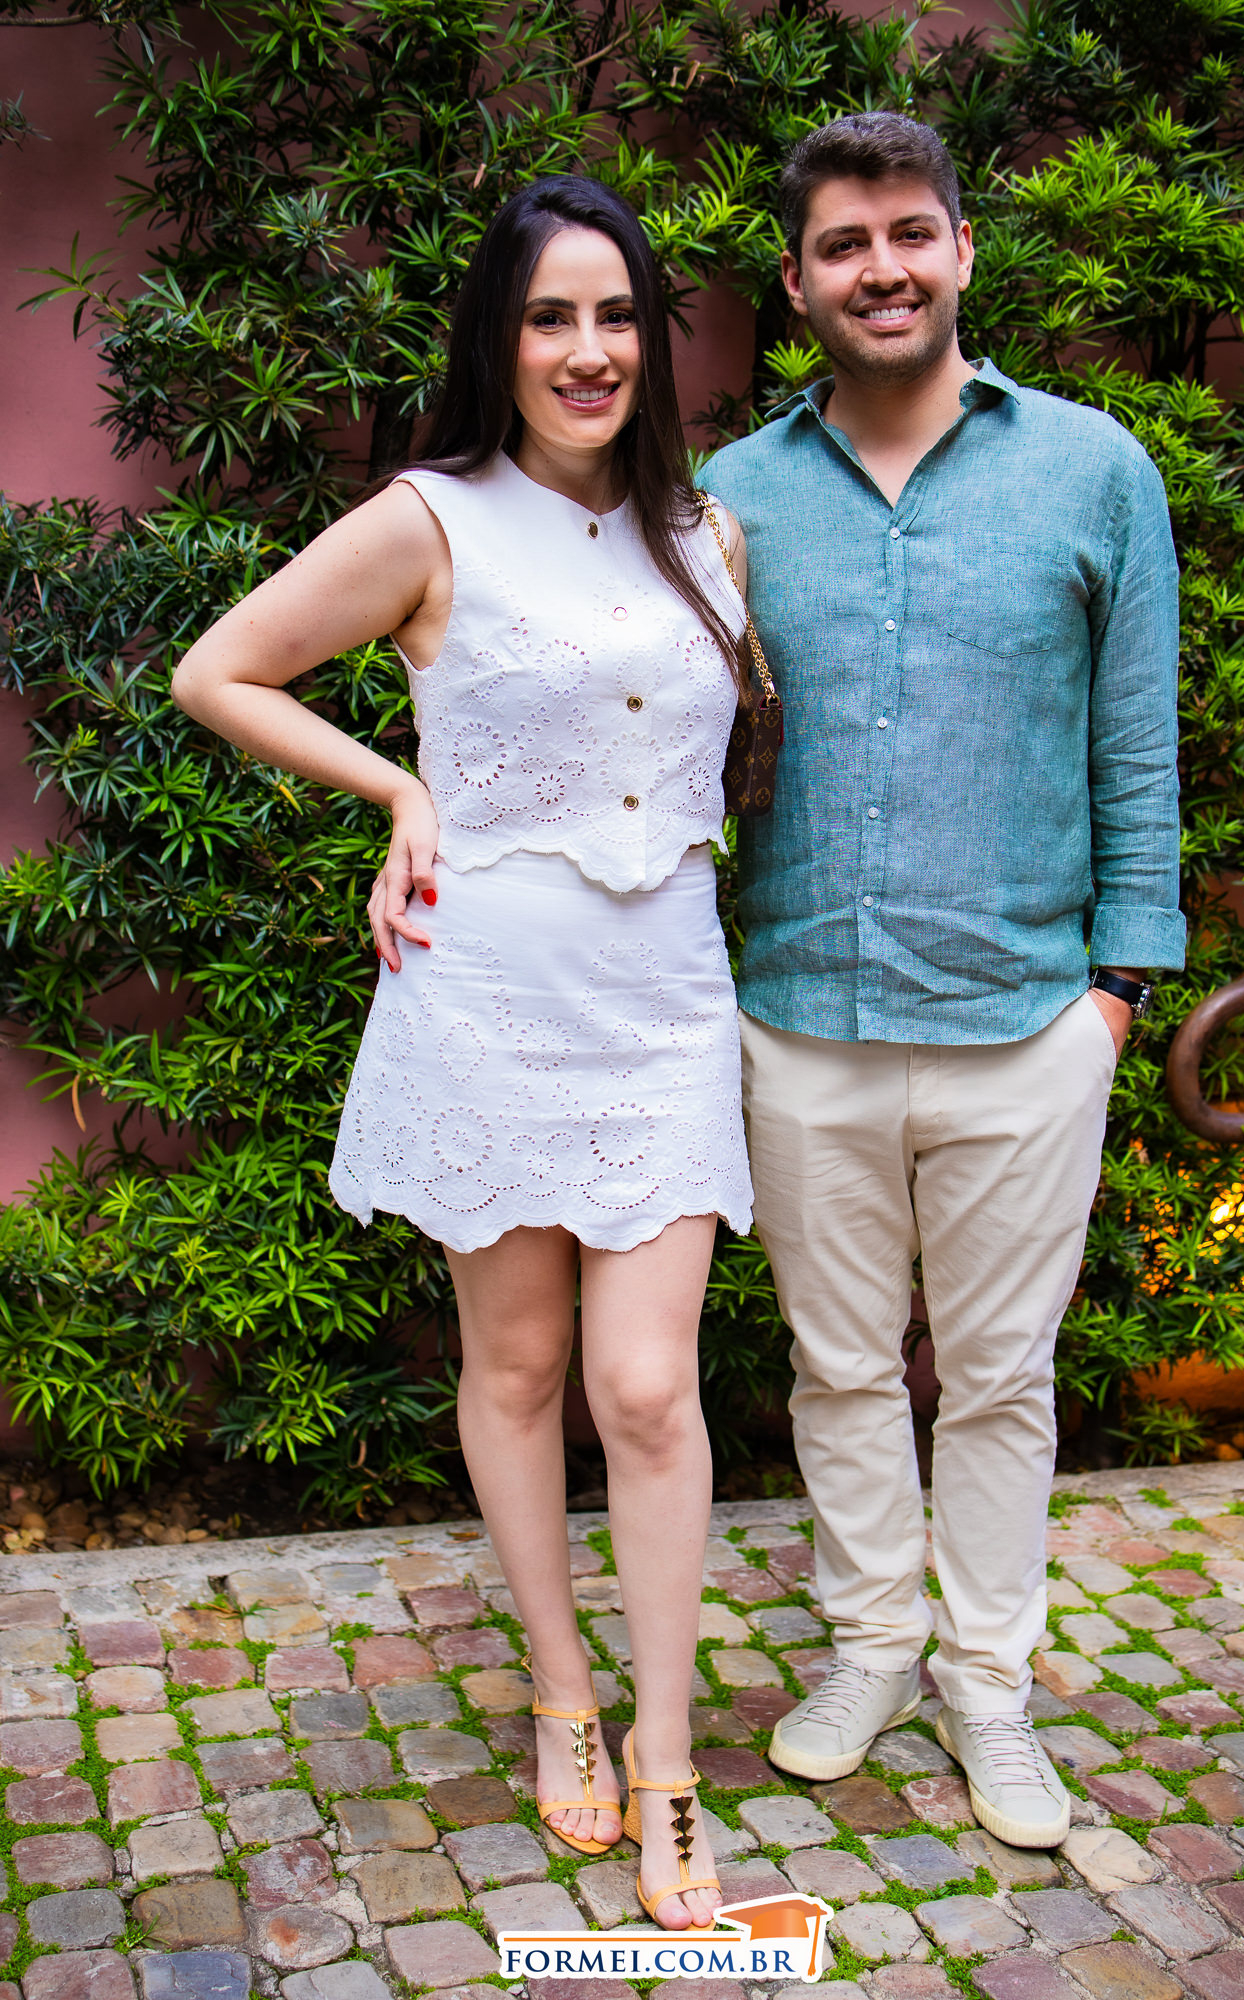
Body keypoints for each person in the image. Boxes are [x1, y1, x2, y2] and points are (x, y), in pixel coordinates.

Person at [171, 175, 755, 1928]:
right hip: (487, 992)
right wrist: (398, 791)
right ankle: (561, 1688)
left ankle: (666, 1757)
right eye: (548, 316)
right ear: (496, 338)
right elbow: (221, 672)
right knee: (513, 1368)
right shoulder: (431, 519)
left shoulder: (711, 535)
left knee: (643, 1389)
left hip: (665, 1000)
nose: (586, 350)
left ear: (652, 337)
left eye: (616, 314)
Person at [704, 111, 1185, 1848]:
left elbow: (1137, 749)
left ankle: (988, 1683)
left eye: (909, 232)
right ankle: (867, 1650)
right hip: (799, 1016)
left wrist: (1115, 994)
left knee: (995, 1380)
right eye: (842, 245)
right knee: (837, 1371)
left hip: (1023, 1019)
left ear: (962, 249)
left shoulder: (1094, 472)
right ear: (795, 282)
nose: (880, 268)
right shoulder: (731, 494)